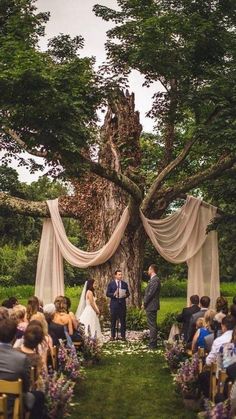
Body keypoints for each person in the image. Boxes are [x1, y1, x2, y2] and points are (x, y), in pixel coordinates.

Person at [0, 318, 45, 419]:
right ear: (14, 337)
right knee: (39, 396)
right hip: (10, 408)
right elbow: (26, 387)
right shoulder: (21, 359)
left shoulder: (20, 357)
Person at [106, 269, 130, 341]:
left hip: (122, 305)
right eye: (119, 274)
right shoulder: (111, 284)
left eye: (121, 274)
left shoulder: (124, 284)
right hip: (114, 305)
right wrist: (113, 294)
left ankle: (123, 336)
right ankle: (112, 336)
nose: (120, 276)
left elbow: (128, 293)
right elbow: (107, 293)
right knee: (113, 320)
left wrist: (125, 295)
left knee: (123, 321)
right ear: (115, 275)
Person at [143, 264, 161, 349]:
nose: (148, 271)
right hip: (151, 305)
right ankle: (152, 342)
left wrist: (145, 302)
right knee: (151, 324)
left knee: (152, 325)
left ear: (152, 270)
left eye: (149, 269)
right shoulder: (153, 280)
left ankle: (153, 343)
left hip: (151, 305)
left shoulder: (155, 280)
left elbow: (150, 293)